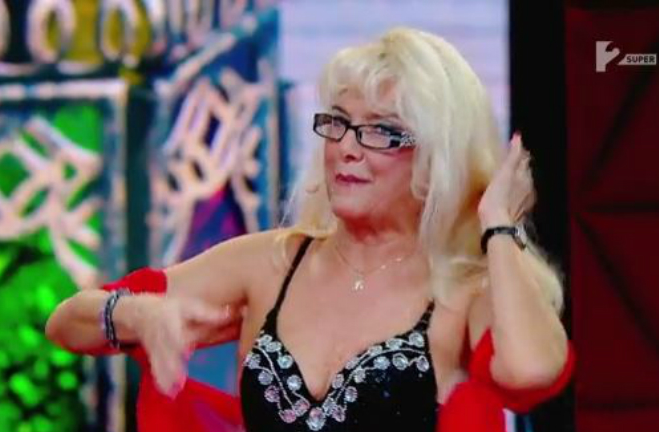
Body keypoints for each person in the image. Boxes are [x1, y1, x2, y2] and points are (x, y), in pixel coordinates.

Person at [45, 27, 574, 432]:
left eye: (381, 131)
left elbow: (530, 373)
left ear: (439, 158)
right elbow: (67, 323)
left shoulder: (467, 286)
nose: (346, 147)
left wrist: (498, 226)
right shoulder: (271, 263)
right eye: (338, 122)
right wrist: (137, 313)